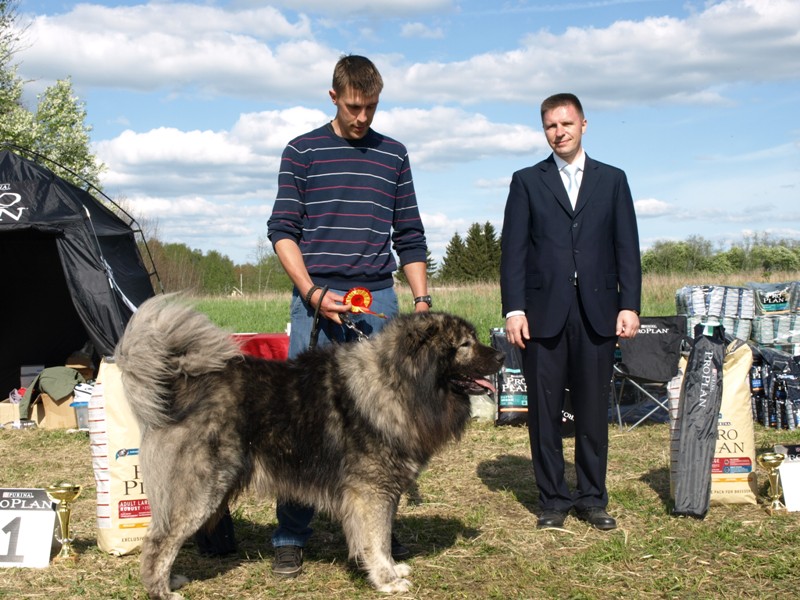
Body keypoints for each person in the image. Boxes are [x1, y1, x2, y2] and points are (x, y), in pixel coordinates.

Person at [266, 54, 431, 577]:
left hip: (377, 299)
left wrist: (422, 303)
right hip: (315, 298)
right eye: (355, 106)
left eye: (373, 106)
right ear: (333, 96)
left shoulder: (394, 155)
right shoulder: (302, 151)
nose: (364, 117)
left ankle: (376, 536)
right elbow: (282, 231)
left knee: (388, 425)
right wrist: (312, 294)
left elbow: (409, 236)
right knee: (302, 419)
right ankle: (291, 533)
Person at [499, 93, 641, 531]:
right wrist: (514, 309)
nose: (558, 132)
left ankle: (593, 498)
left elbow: (627, 248)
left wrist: (629, 304)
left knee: (593, 410)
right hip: (542, 315)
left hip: (598, 313)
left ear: (583, 124)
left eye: (566, 124)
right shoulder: (527, 181)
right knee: (543, 413)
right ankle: (554, 501)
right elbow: (514, 252)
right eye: (550, 126)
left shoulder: (613, 180)